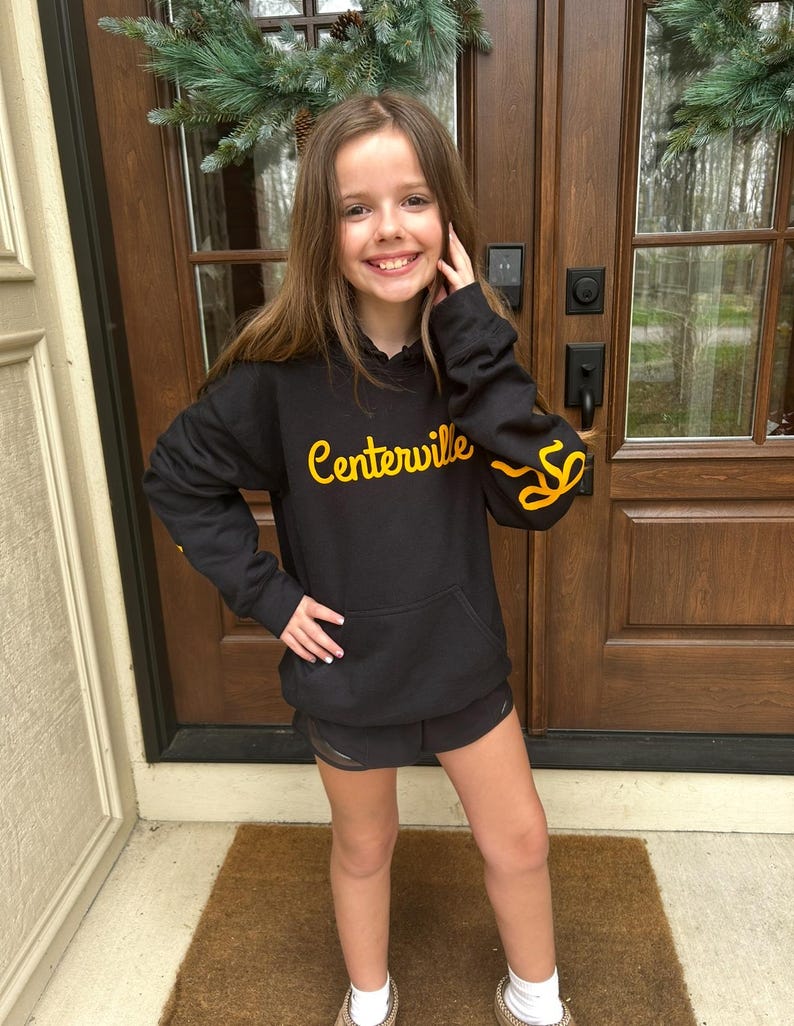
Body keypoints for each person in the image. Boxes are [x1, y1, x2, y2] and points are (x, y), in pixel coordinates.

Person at [144, 90, 585, 1026]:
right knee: (363, 847)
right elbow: (176, 478)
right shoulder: (277, 378)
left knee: (521, 840)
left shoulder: (473, 361)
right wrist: (269, 597)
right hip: (347, 671)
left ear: (447, 218)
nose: (389, 229)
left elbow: (544, 496)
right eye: (357, 207)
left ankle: (536, 1000)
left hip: (460, 660)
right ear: (324, 229)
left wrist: (477, 352)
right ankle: (370, 1001)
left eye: (414, 199)